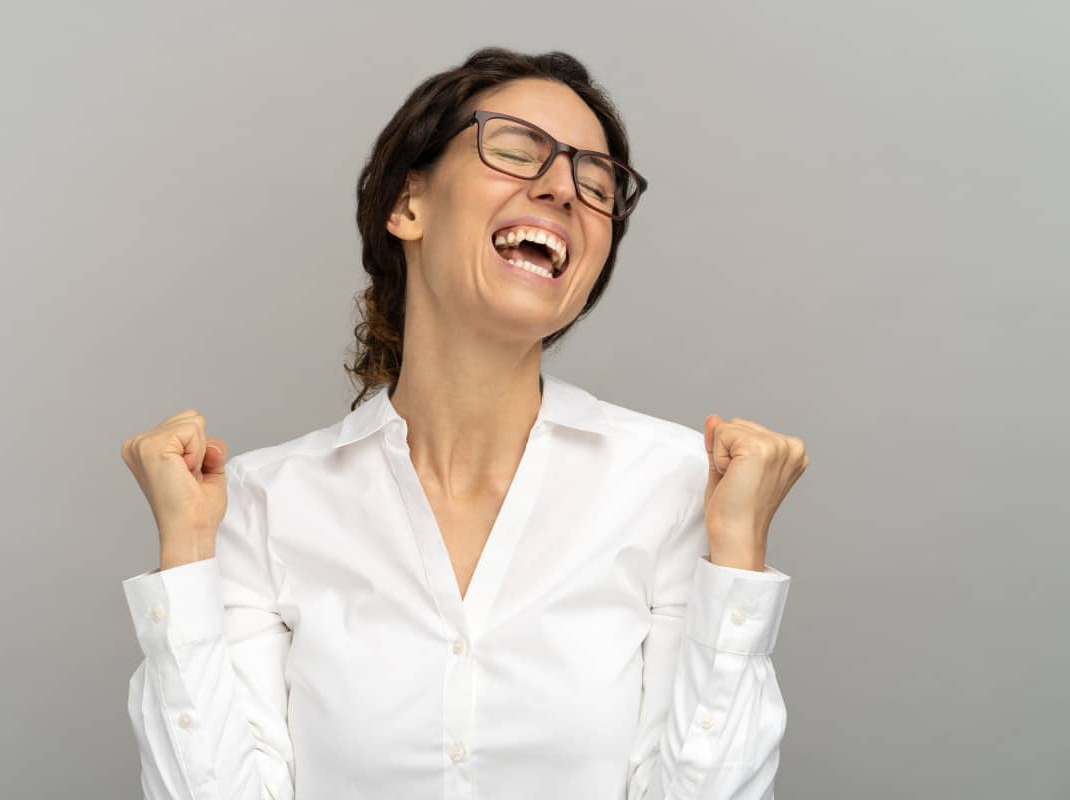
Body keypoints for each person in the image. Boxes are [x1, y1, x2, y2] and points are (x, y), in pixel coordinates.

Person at [119, 47, 808, 800]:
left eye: (598, 183)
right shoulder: (263, 503)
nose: (562, 190)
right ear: (408, 204)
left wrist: (736, 558)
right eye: (515, 151)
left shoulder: (679, 489)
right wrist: (187, 555)